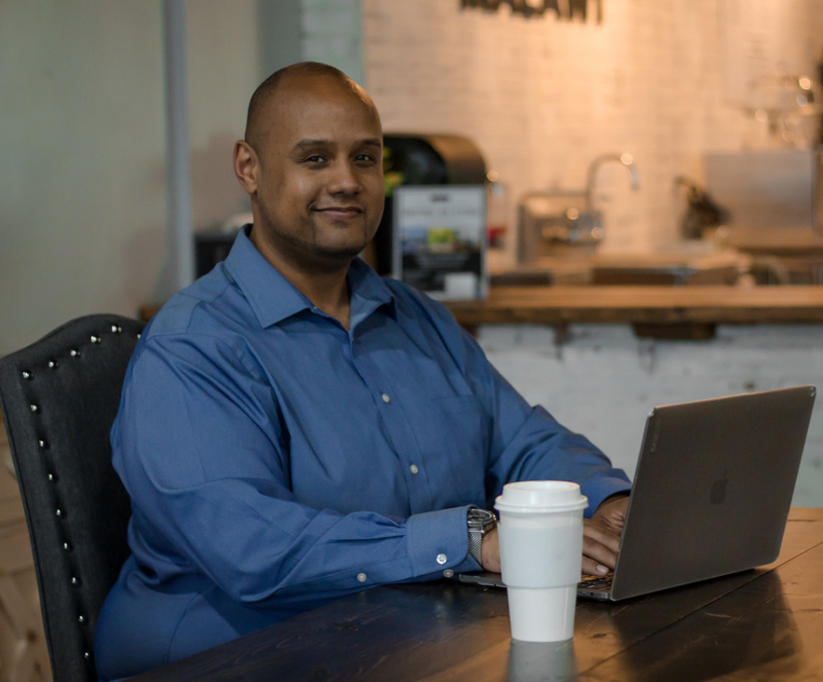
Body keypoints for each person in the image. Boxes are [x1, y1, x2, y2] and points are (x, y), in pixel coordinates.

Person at [94, 62, 631, 680]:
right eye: (315, 158)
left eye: (366, 159)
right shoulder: (193, 348)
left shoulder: (417, 319)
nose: (346, 181)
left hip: (403, 643)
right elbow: (256, 549)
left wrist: (610, 502)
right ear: (249, 167)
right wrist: (470, 536)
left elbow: (525, 442)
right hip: (226, 658)